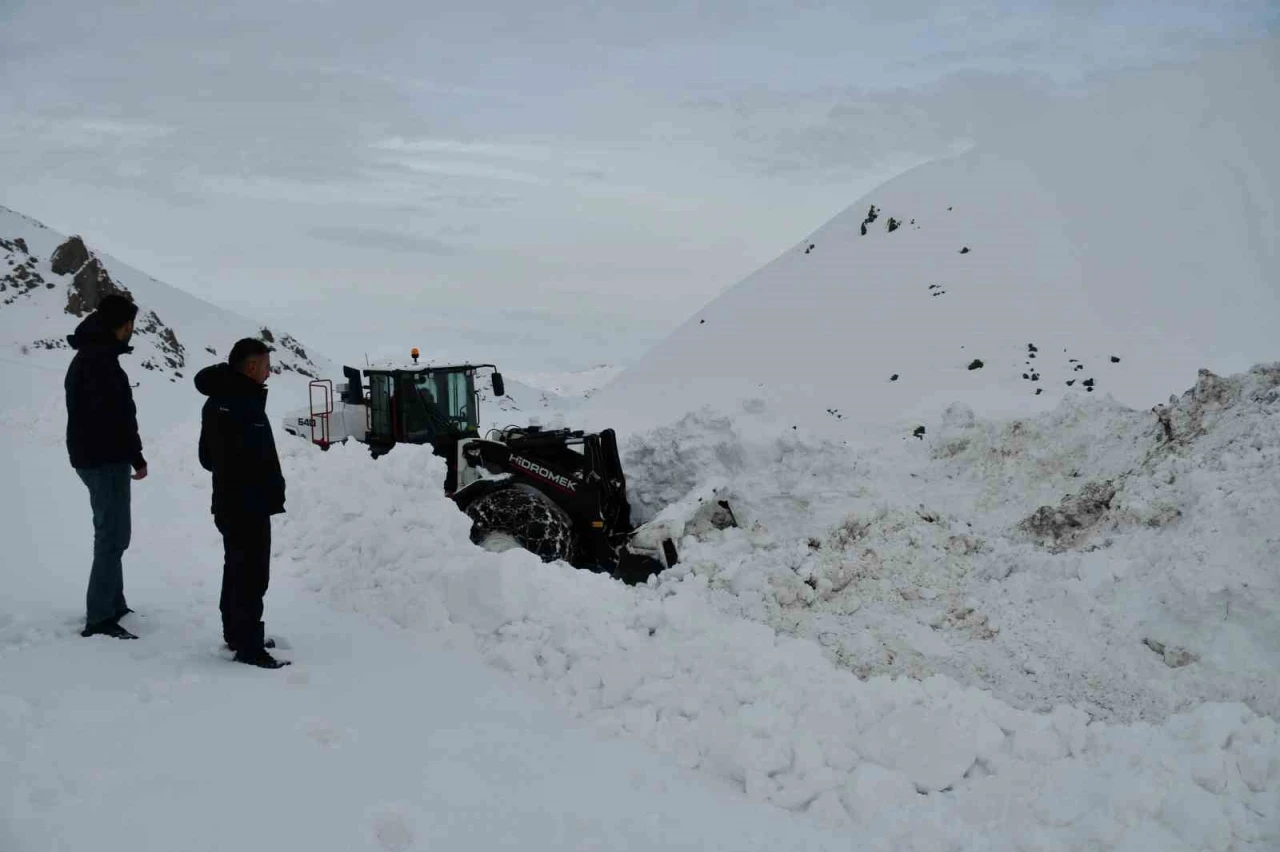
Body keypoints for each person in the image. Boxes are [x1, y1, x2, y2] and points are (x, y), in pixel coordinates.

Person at [195, 338, 290, 669]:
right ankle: (249, 646)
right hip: (244, 504)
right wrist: (256, 482)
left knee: (236, 568)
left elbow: (207, 457)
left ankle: (238, 633)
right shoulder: (238, 404)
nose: (269, 373)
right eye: (266, 366)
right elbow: (227, 457)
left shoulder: (225, 401)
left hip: (235, 501)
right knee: (251, 574)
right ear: (251, 367)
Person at [65, 293, 148, 640]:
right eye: (131, 325)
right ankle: (100, 616)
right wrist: (136, 456)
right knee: (112, 536)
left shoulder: (93, 356)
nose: (132, 331)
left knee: (115, 533)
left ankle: (113, 602)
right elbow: (117, 417)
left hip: (96, 456)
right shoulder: (99, 361)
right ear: (123, 325)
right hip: (104, 458)